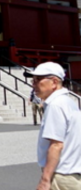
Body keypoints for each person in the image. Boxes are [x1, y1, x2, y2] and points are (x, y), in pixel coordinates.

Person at [24, 62, 81, 190]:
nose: (33, 84)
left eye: (38, 80)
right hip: (72, 171)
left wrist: (45, 179)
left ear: (54, 82)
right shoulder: (68, 102)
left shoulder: (55, 105)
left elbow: (56, 144)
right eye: (33, 80)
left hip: (61, 175)